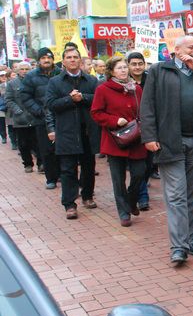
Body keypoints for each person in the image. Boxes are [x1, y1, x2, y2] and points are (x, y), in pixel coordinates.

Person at [140, 35, 193, 266]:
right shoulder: (160, 71)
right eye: (192, 47)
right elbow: (147, 105)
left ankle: (190, 239)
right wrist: (149, 136)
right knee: (176, 194)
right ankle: (178, 247)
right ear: (177, 49)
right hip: (170, 141)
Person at [90, 57, 147, 227]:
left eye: (124, 67)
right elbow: (96, 113)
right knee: (118, 178)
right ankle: (124, 212)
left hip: (136, 138)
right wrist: (115, 121)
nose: (123, 70)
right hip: (115, 139)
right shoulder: (103, 89)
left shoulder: (136, 89)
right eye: (119, 68)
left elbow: (144, 109)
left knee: (140, 172)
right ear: (111, 71)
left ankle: (131, 200)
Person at [46, 47, 100, 220]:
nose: (72, 60)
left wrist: (82, 97)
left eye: (75, 57)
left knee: (88, 167)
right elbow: (51, 104)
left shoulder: (91, 80)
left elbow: (98, 100)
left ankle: (87, 196)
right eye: (69, 57)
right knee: (68, 169)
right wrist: (70, 99)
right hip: (67, 132)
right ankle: (69, 204)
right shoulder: (55, 82)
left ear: (80, 61)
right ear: (63, 61)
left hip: (87, 131)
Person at [21, 48, 62, 189]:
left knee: (62, 148)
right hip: (41, 119)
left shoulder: (60, 73)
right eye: (43, 58)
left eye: (49, 57)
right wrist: (38, 111)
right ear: (39, 60)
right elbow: (25, 97)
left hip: (61, 117)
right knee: (46, 149)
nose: (46, 60)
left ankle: (63, 174)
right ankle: (51, 178)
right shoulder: (31, 76)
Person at [127, 51, 152, 211]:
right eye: (134, 64)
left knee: (149, 165)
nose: (137, 67)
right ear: (128, 66)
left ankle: (136, 190)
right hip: (132, 130)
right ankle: (142, 197)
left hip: (150, 128)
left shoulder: (151, 79)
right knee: (138, 166)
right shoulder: (124, 82)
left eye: (140, 64)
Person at [5, 62, 40, 172]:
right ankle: (28, 164)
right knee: (23, 144)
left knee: (38, 142)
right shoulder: (12, 84)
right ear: (18, 70)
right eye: (22, 69)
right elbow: (9, 100)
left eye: (27, 69)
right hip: (20, 119)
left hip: (35, 117)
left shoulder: (35, 81)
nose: (24, 71)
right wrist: (17, 111)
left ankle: (41, 163)